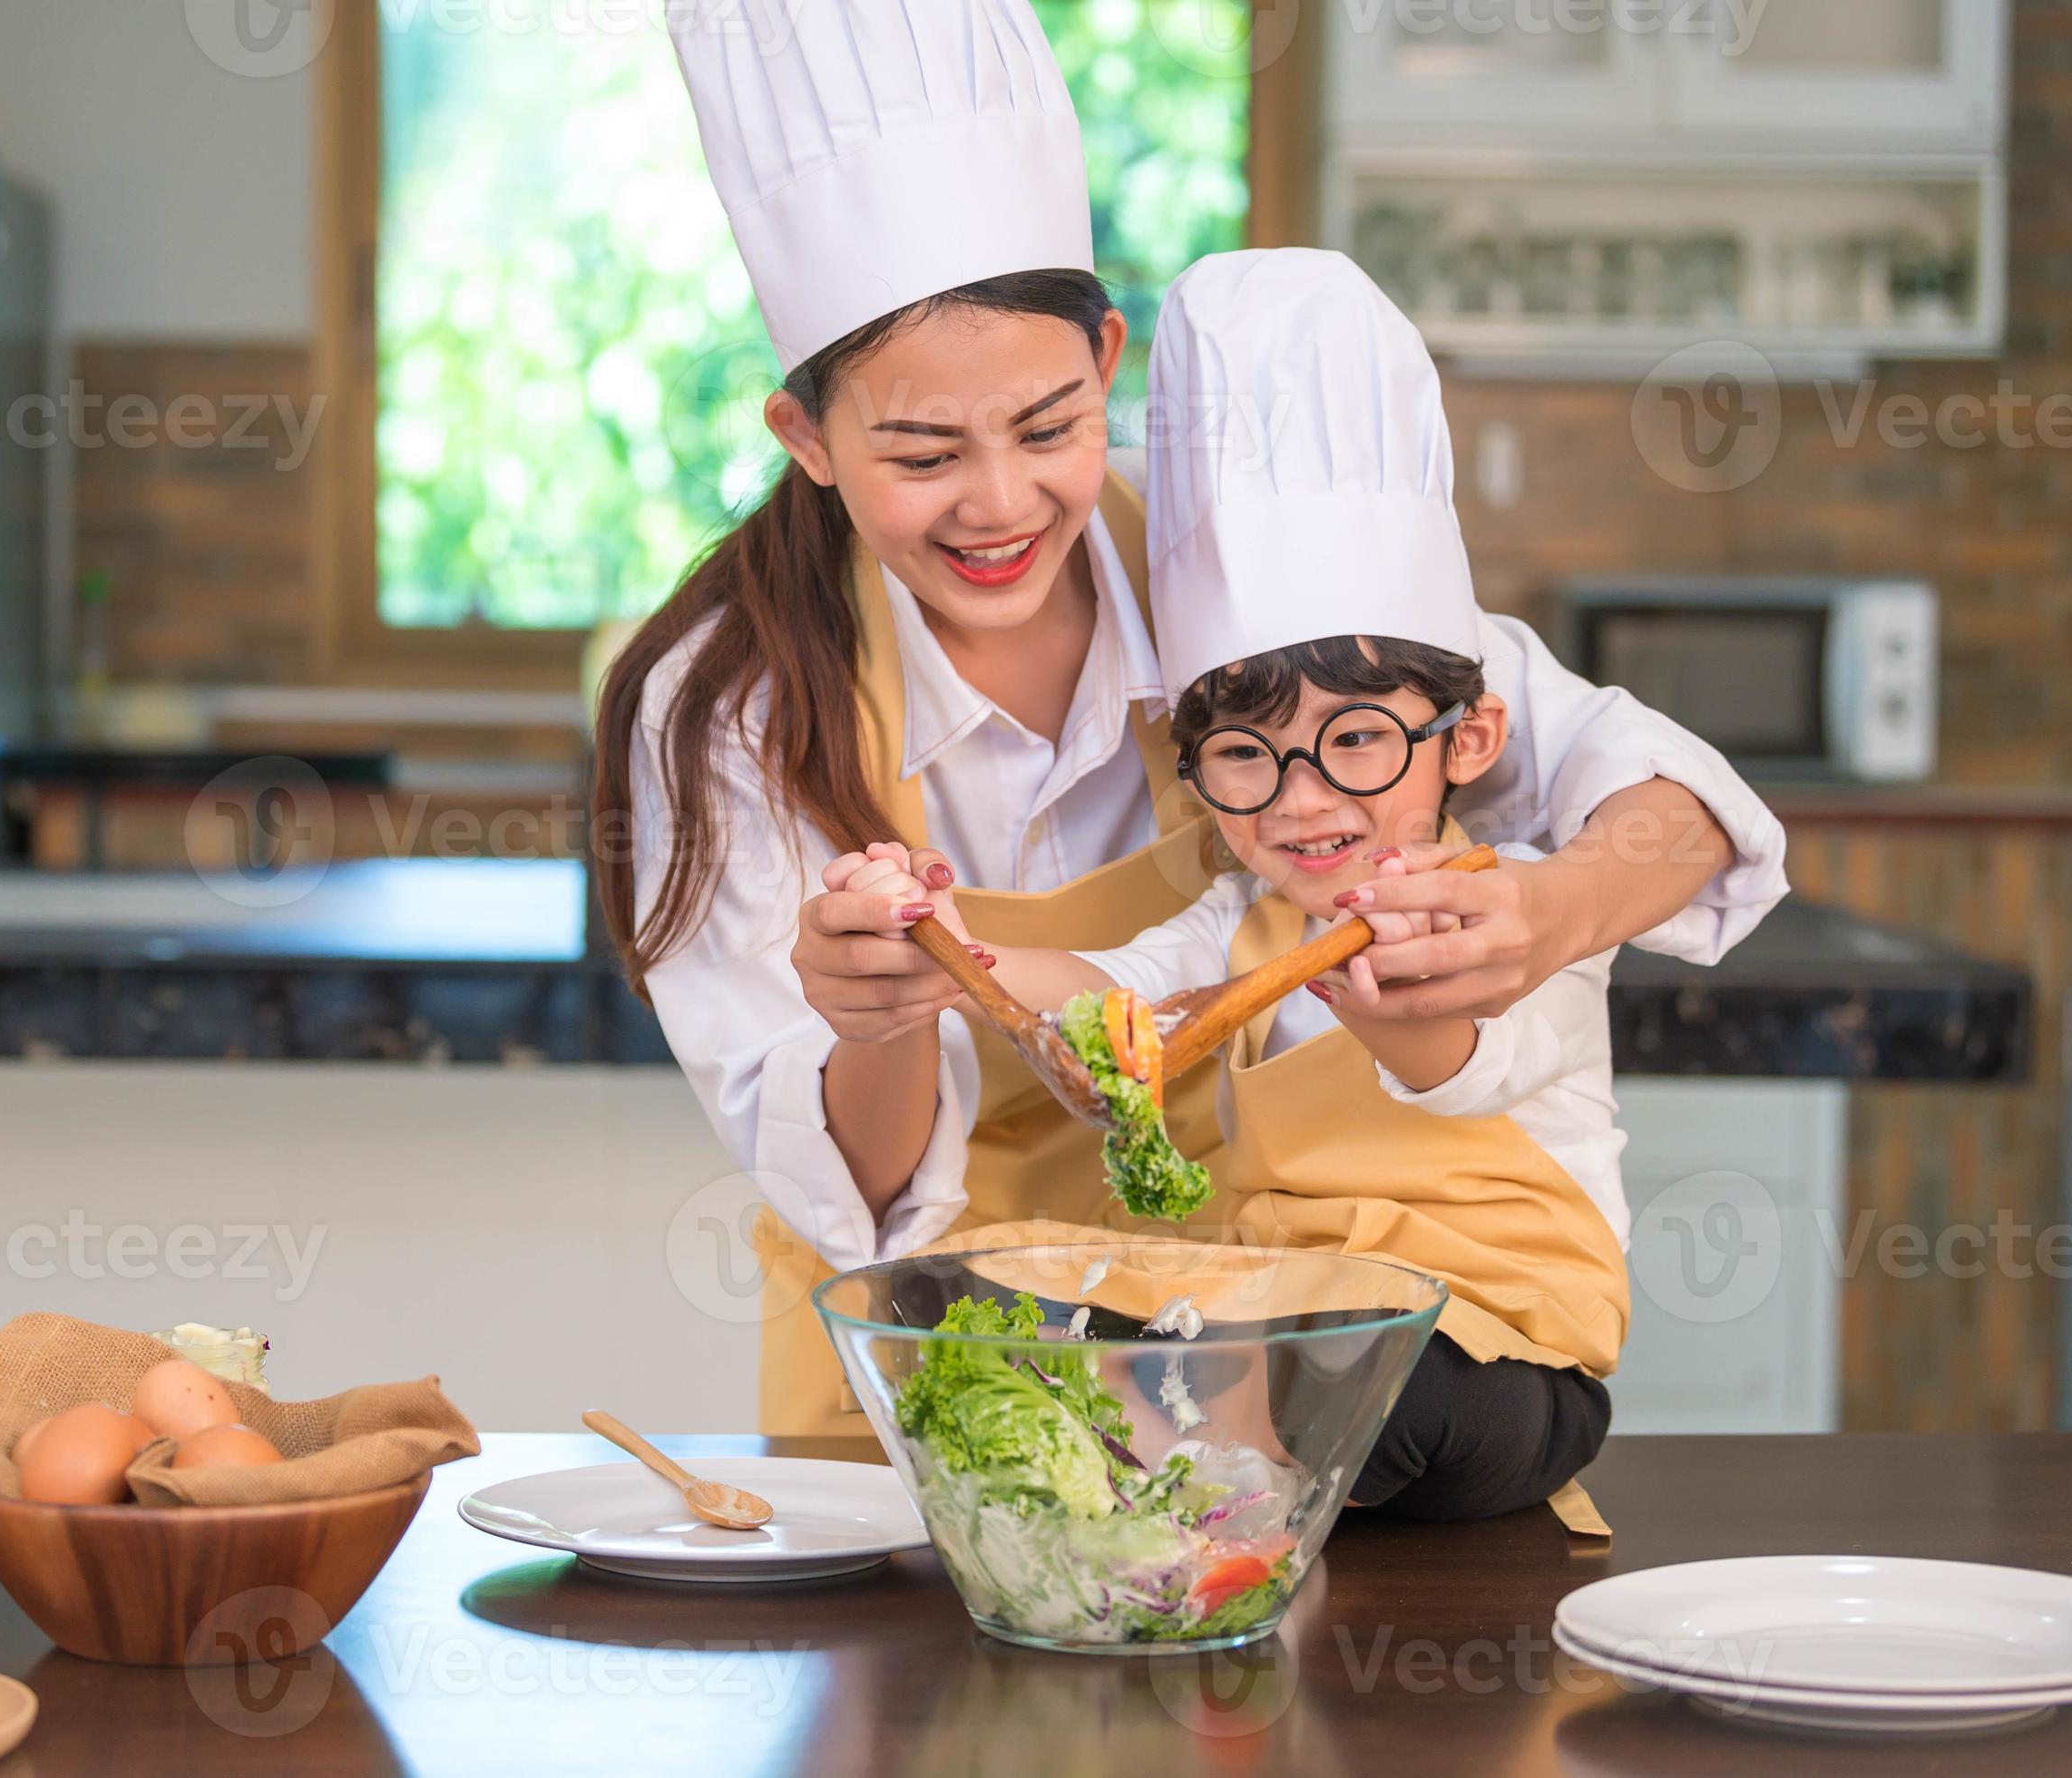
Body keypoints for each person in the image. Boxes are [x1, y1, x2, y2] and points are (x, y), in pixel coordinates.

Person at [596, 2, 1789, 1435]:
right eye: (920, 453)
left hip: (1263, 1355)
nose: (997, 504)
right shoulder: (723, 706)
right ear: (808, 442)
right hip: (938, 1378)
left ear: (1107, 363)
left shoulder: (1242, 562)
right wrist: (882, 1016)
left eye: (1046, 427)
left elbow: (1650, 789)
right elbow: (847, 1187)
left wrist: (1551, 912)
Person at [826, 249, 1688, 1520]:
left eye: (1354, 744)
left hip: (1498, 1354)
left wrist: (1398, 998)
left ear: (1469, 741)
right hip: (1270, 1330)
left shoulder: (1507, 909)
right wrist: (944, 948)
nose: (1299, 801)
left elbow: (1470, 1056)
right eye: (1243, 758)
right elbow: (1112, 991)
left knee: (1364, 1374)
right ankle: (1185, 1457)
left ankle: (1176, 1457)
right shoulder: (1241, 918)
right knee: (950, 1298)